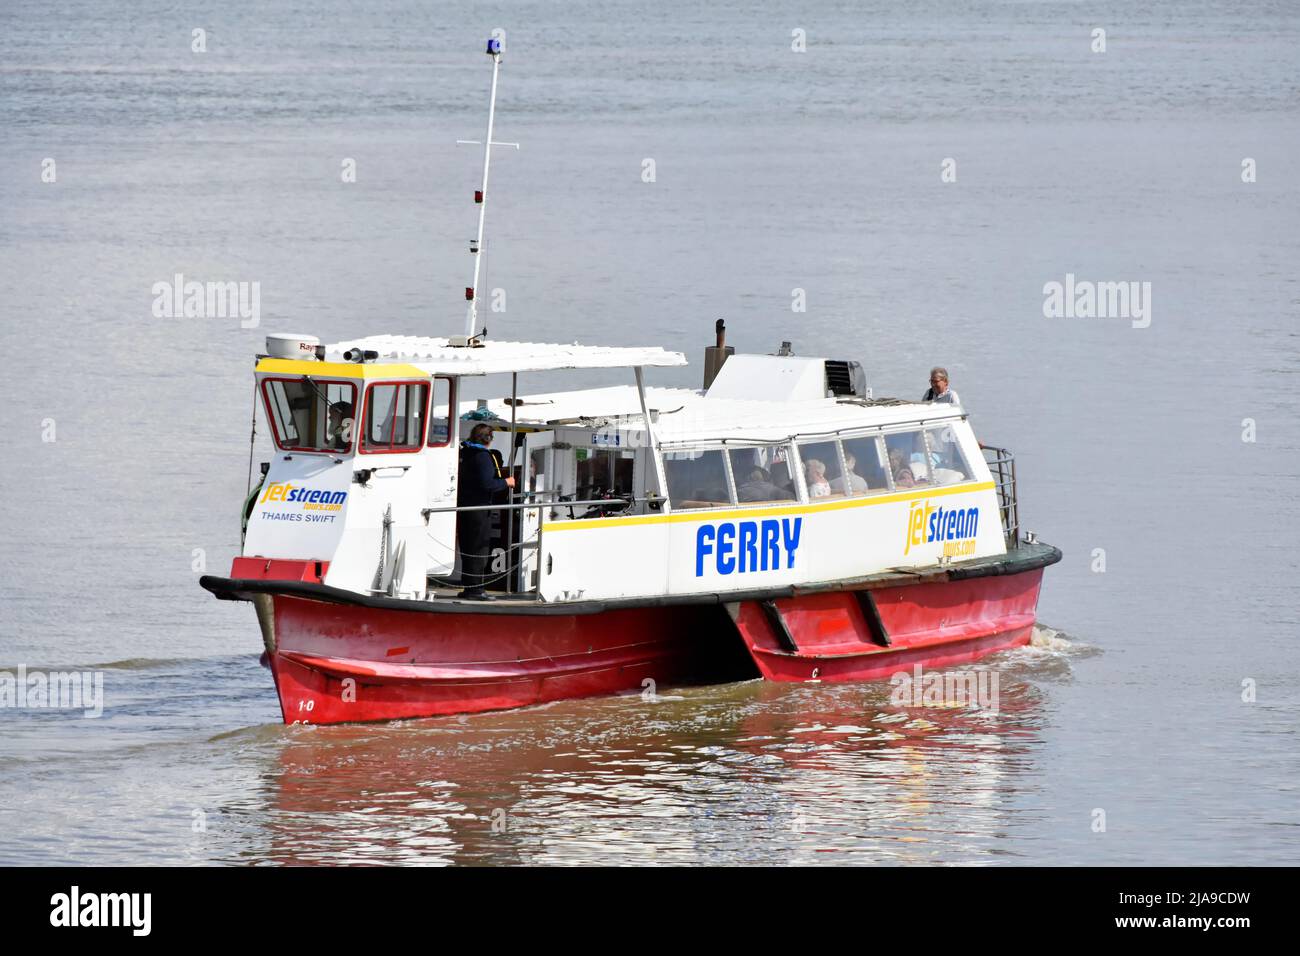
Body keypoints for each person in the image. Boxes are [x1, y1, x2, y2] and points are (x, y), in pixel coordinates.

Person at [456, 423, 515, 600]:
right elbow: (487, 484)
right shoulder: (482, 456)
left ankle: (469, 587)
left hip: (466, 507)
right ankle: (475, 590)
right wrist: (506, 482)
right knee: (479, 548)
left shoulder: (465, 452)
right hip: (479, 509)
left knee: (468, 546)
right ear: (488, 438)